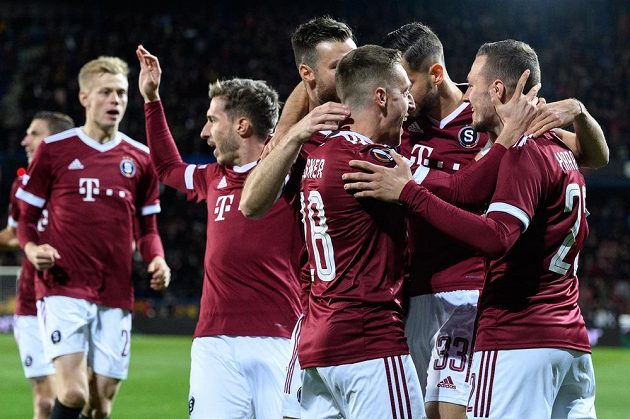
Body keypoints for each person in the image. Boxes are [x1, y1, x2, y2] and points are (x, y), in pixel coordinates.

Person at [345, 39, 596, 419]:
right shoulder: (558, 147)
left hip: (517, 332)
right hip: (568, 336)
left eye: (473, 84)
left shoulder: (522, 151)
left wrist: (409, 193)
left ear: (497, 90)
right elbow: (598, 156)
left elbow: (496, 235)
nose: (468, 96)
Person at [136, 45, 302, 419]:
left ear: (242, 125)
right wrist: (151, 99)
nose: (204, 131)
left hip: (282, 337)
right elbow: (165, 167)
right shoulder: (213, 177)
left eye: (213, 120)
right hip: (214, 340)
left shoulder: (294, 173)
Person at [16, 56, 171, 419]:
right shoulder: (54, 151)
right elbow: (27, 218)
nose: (115, 100)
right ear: (85, 97)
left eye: (121, 93)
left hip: (116, 290)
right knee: (71, 393)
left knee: (100, 407)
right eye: (106, 93)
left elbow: (147, 229)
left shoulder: (142, 159)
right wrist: (32, 246)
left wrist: (157, 258)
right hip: (63, 286)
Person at [295, 44, 426, 418]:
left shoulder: (319, 156)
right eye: (403, 93)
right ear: (381, 97)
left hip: (321, 344)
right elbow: (466, 191)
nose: (410, 105)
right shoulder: (370, 160)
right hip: (368, 339)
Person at [239, 16, 355, 419]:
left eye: (352, 61)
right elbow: (250, 204)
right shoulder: (298, 140)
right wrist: (294, 132)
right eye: (338, 67)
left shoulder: (376, 116)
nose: (350, 72)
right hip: (317, 313)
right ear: (307, 73)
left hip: (384, 312)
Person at [0, 111, 74, 419]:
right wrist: (30, 239)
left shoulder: (78, 184)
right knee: (45, 401)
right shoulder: (22, 185)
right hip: (31, 303)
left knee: (80, 397)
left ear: (55, 141)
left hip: (75, 300)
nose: (24, 140)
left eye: (34, 133)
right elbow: (10, 235)